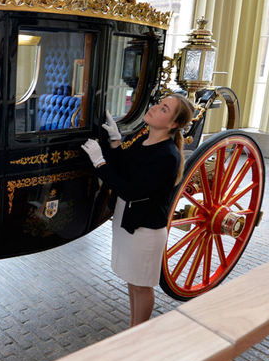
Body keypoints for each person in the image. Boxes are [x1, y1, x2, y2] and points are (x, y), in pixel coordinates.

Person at [81, 94, 195, 327]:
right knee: (133, 281)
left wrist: (99, 163)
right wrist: (114, 141)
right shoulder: (145, 141)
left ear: (173, 124)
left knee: (142, 286)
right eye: (158, 104)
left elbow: (130, 190)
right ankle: (133, 329)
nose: (154, 108)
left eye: (164, 109)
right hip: (129, 221)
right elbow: (123, 165)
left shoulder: (167, 155)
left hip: (145, 231)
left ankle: (137, 334)